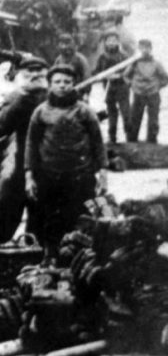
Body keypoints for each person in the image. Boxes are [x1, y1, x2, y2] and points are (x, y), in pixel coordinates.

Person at [25, 65, 108, 256]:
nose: (62, 86)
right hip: (49, 177)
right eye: (57, 82)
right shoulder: (40, 112)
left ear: (74, 84)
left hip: (80, 177)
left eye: (67, 82)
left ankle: (77, 258)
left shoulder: (85, 111)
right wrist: (29, 177)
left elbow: (98, 143)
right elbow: (31, 145)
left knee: (81, 220)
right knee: (47, 222)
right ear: (49, 85)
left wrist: (103, 174)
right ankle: (47, 258)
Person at [0, 55, 49, 237]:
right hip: (23, 158)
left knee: (45, 205)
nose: (34, 75)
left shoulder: (54, 95)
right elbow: (4, 125)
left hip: (51, 157)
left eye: (38, 72)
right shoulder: (15, 96)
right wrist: (22, 97)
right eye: (29, 72)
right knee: (18, 200)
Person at [125, 39, 168, 143]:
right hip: (138, 94)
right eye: (142, 48)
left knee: (153, 119)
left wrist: (157, 86)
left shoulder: (156, 63)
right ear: (139, 49)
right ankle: (132, 140)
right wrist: (132, 85)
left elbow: (165, 78)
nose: (145, 50)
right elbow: (126, 76)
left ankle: (152, 140)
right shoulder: (134, 63)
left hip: (153, 94)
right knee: (135, 118)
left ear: (151, 49)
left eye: (147, 48)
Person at [94, 32, 131, 143]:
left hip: (122, 87)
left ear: (118, 42)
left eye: (114, 41)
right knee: (111, 113)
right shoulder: (102, 57)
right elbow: (97, 72)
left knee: (126, 113)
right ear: (105, 42)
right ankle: (112, 137)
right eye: (109, 41)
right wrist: (105, 76)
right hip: (108, 88)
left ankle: (130, 138)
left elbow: (130, 71)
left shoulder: (124, 56)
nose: (111, 43)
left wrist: (120, 75)